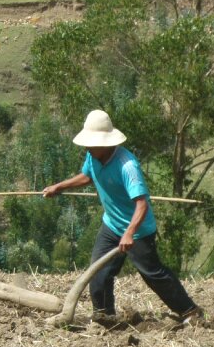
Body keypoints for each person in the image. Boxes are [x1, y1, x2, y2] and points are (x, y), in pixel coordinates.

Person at [42, 110, 202, 325]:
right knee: (98, 273)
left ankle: (189, 311)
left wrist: (129, 233)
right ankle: (104, 318)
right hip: (111, 225)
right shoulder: (93, 155)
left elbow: (142, 204)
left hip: (138, 230)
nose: (87, 147)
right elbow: (88, 175)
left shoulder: (127, 166)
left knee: (151, 272)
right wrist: (59, 187)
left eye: (92, 143)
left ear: (106, 143)